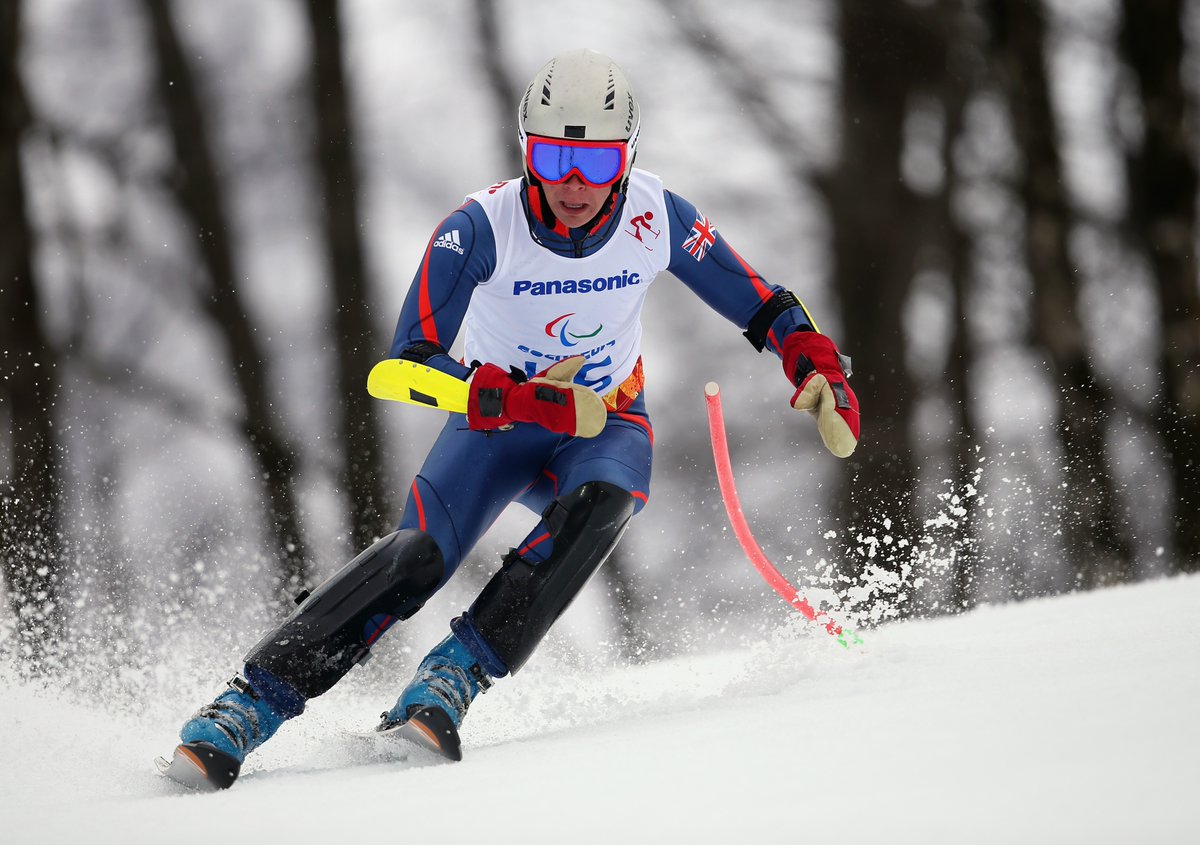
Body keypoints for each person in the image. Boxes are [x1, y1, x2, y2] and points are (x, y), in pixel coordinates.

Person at [165, 48, 859, 786]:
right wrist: (513, 395)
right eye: (554, 155)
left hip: (604, 424)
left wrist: (813, 360)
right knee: (416, 559)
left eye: (595, 163)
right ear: (526, 150)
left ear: (626, 160)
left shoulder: (657, 215)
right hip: (495, 426)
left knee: (606, 500)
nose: (573, 183)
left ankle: (451, 680)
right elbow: (401, 364)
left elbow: (761, 301)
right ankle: (248, 704)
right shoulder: (480, 227)